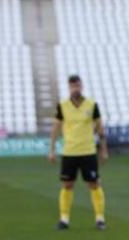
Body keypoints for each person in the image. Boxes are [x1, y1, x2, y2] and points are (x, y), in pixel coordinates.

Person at [48, 75, 109, 230]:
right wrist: (52, 149)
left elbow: (100, 128)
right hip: (69, 152)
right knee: (67, 184)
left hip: (88, 151)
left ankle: (100, 218)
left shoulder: (92, 104)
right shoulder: (62, 105)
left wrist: (104, 149)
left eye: (78, 85)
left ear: (81, 86)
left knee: (94, 184)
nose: (76, 88)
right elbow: (55, 128)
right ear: (69, 87)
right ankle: (64, 219)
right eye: (72, 86)